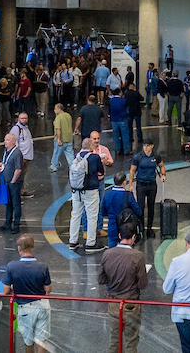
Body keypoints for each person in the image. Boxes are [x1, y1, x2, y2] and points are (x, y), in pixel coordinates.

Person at [100, 220, 149, 353]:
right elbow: (143, 284)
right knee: (131, 341)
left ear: (120, 236)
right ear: (133, 237)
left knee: (114, 339)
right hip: (131, 303)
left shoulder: (107, 254)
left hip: (114, 303)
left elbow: (102, 279)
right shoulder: (138, 256)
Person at [4, 234, 52, 353]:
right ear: (32, 247)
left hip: (25, 308)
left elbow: (5, 291)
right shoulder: (42, 266)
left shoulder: (12, 266)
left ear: (19, 249)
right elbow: (48, 289)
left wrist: (13, 289)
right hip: (42, 306)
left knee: (28, 341)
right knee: (41, 342)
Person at [69, 137, 106, 251]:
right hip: (90, 191)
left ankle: (73, 241)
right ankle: (90, 243)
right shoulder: (95, 157)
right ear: (90, 146)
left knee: (75, 215)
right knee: (92, 216)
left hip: (76, 191)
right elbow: (101, 171)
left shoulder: (76, 156)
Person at [127, 139, 165, 238]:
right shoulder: (138, 157)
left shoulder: (155, 156)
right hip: (141, 185)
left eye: (148, 145)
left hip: (152, 185)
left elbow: (161, 165)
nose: (146, 147)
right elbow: (132, 171)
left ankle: (150, 227)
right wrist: (130, 185)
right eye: (144, 145)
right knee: (141, 207)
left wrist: (163, 174)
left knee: (151, 206)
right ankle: (141, 228)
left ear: (152, 146)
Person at [101, 172, 142, 249]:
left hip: (112, 229)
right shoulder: (128, 195)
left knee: (112, 253)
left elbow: (103, 212)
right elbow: (138, 211)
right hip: (126, 231)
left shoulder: (107, 195)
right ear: (124, 182)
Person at [0, 132, 24, 234]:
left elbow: (18, 169)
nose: (5, 142)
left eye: (7, 140)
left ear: (13, 141)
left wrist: (13, 181)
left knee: (16, 203)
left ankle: (16, 225)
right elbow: (3, 162)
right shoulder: (6, 151)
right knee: (8, 203)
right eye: (5, 140)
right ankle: (7, 223)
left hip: (14, 183)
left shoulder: (17, 153)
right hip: (6, 182)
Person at [9, 112, 36, 197]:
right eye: (22, 118)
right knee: (19, 175)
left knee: (23, 175)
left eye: (25, 118)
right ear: (18, 119)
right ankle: (17, 193)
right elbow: (14, 142)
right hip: (21, 156)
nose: (24, 120)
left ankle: (21, 191)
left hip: (26, 155)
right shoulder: (16, 129)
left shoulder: (25, 128)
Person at [109, 88, 130, 155]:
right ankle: (126, 149)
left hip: (114, 120)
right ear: (120, 93)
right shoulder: (123, 100)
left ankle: (117, 149)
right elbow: (126, 107)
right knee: (125, 135)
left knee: (116, 135)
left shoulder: (111, 100)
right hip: (122, 119)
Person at [125, 82, 145, 149]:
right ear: (133, 87)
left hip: (129, 111)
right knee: (138, 126)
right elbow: (142, 99)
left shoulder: (126, 94)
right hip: (137, 111)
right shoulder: (136, 93)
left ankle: (130, 138)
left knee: (129, 126)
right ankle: (140, 138)